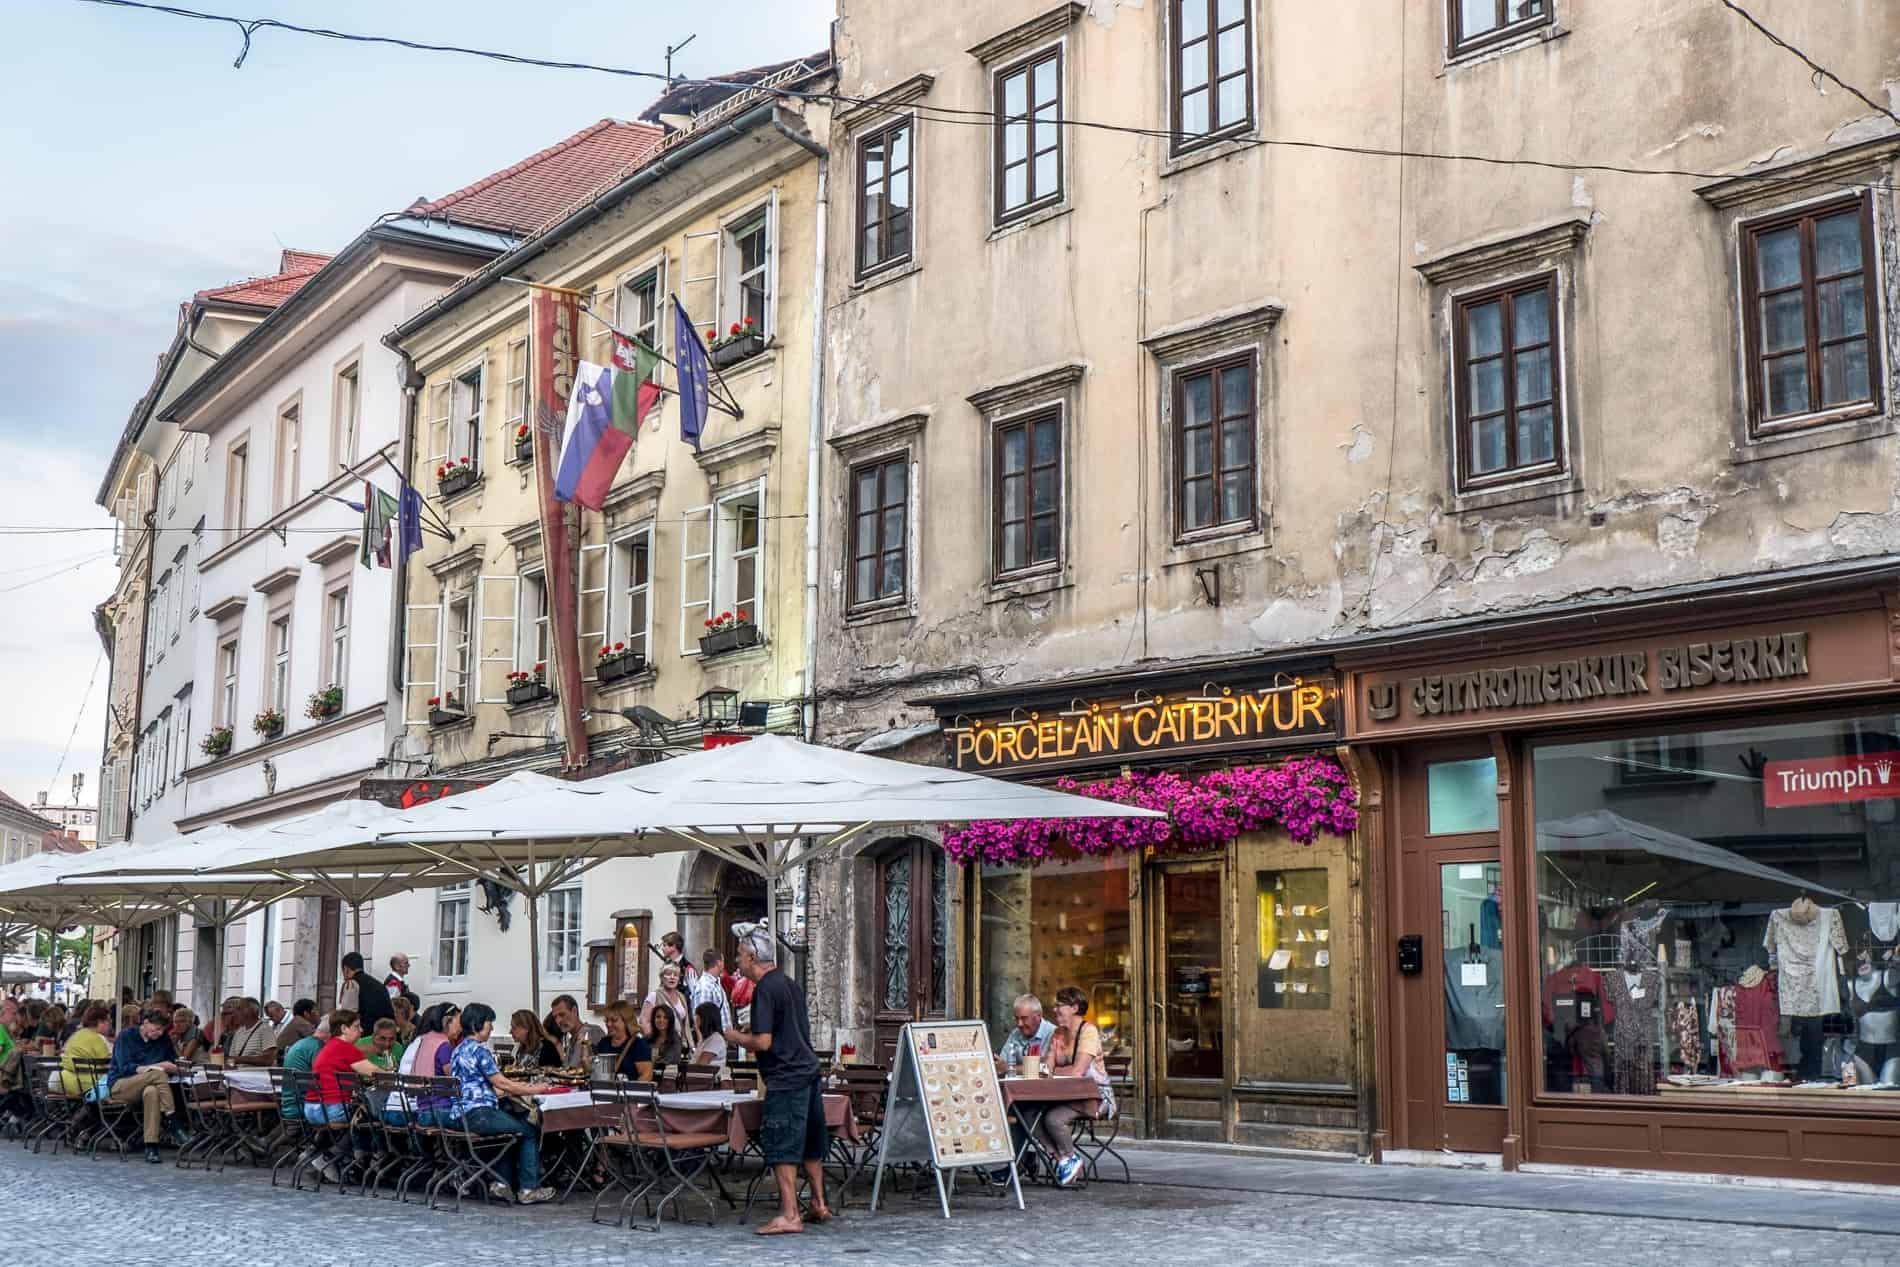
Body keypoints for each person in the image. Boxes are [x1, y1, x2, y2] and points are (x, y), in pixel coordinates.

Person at [723, 923, 832, 1236]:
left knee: (783, 1144)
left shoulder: (764, 990)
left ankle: (789, 1214)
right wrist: (752, 1033)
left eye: (741, 956)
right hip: (807, 1070)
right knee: (811, 1142)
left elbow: (764, 1042)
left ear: (754, 956)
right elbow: (788, 1027)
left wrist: (735, 1037)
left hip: (785, 1075)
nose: (738, 962)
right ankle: (818, 1203)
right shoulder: (788, 983)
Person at [448, 1002, 555, 1204]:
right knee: (528, 1129)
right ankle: (528, 1188)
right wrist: (534, 1089)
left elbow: (481, 1083)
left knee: (507, 1131)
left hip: (459, 1114)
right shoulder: (480, 1051)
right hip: (479, 1114)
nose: (491, 1027)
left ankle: (501, 1183)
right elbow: (503, 1083)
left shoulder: (458, 1049)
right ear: (478, 1024)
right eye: (489, 1022)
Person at [1034, 986, 1116, 1187]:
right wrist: (1050, 1067)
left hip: (1095, 1097)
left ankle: (1069, 1157)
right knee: (1029, 1116)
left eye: (1059, 1005)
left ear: (1074, 1007)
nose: (1055, 1010)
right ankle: (1064, 1160)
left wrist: (1053, 1071)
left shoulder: (1088, 1031)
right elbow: (1046, 1069)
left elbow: (1077, 1072)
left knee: (1053, 1118)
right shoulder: (1057, 1033)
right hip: (1064, 1095)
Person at [307, 1010, 384, 1184]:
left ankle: (319, 1153)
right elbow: (376, 1073)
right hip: (330, 1109)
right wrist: (394, 1075)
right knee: (368, 1118)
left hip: (312, 1108)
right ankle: (335, 1156)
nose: (362, 1030)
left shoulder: (329, 1046)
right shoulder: (345, 1048)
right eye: (356, 1026)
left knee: (360, 1112)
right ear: (343, 1028)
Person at [109, 1005, 181, 1164]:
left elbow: (173, 1060)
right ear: (145, 1022)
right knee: (157, 1074)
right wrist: (155, 1068)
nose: (160, 1033)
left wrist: (173, 1066)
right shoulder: (126, 1036)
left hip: (151, 1086)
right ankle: (172, 1118)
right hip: (121, 1085)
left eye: (163, 1030)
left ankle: (151, 1146)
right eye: (157, 1028)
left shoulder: (163, 1040)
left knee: (152, 1092)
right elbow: (124, 1068)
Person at [58, 1004, 114, 1099]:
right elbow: (111, 1064)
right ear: (100, 1022)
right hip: (90, 1085)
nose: (110, 1024)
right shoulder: (99, 1039)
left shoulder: (75, 1035)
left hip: (64, 1081)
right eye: (108, 1021)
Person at [594, 1001, 652, 1081]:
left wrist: (631, 1091)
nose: (609, 1024)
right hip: (606, 1091)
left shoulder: (638, 1045)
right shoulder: (604, 1043)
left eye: (614, 1020)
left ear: (626, 1021)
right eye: (607, 1020)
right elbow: (596, 1071)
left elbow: (646, 1075)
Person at [996, 993, 1056, 1070]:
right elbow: (1002, 1063)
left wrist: (1010, 1068)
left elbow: (1043, 1068)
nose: (1019, 1024)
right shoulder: (1015, 1033)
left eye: (1024, 1018)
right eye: (1016, 1018)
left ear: (1038, 1016)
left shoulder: (1052, 1033)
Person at [549, 994, 603, 1068]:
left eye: (562, 1014)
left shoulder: (592, 1032)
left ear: (574, 1011)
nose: (558, 1020)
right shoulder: (571, 1040)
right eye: (555, 1017)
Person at [340, 952, 393, 1028]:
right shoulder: (379, 985)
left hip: (363, 1034)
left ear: (346, 969)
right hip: (384, 1031)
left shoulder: (351, 984)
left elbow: (347, 1014)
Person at [691, 948, 733, 1039]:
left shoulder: (716, 982)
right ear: (719, 963)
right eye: (723, 961)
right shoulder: (705, 987)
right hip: (711, 1040)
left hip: (720, 1039)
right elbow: (701, 1018)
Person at [640, 963, 689, 1040]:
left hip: (678, 1044)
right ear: (662, 977)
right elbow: (644, 1022)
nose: (672, 977)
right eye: (669, 974)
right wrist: (656, 1041)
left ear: (679, 979)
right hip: (661, 1044)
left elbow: (685, 1024)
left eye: (675, 975)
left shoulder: (681, 997)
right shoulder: (654, 995)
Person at [224, 999, 278, 1067]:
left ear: (251, 1011)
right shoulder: (238, 1032)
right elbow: (231, 1059)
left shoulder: (265, 1029)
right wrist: (230, 1066)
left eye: (239, 1009)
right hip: (238, 1075)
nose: (235, 1013)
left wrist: (239, 1060)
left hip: (256, 1076)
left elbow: (268, 1060)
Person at [646, 1000, 686, 1070]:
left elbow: (669, 1061)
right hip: (647, 1075)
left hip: (667, 1077)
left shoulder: (675, 1039)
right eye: (658, 1017)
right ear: (653, 1019)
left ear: (670, 1020)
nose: (661, 1020)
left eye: (665, 1018)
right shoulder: (647, 1038)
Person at [691, 1002, 727, 1067]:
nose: (695, 1020)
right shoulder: (705, 1039)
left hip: (708, 1076)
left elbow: (701, 1064)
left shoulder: (716, 1039)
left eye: (697, 1017)